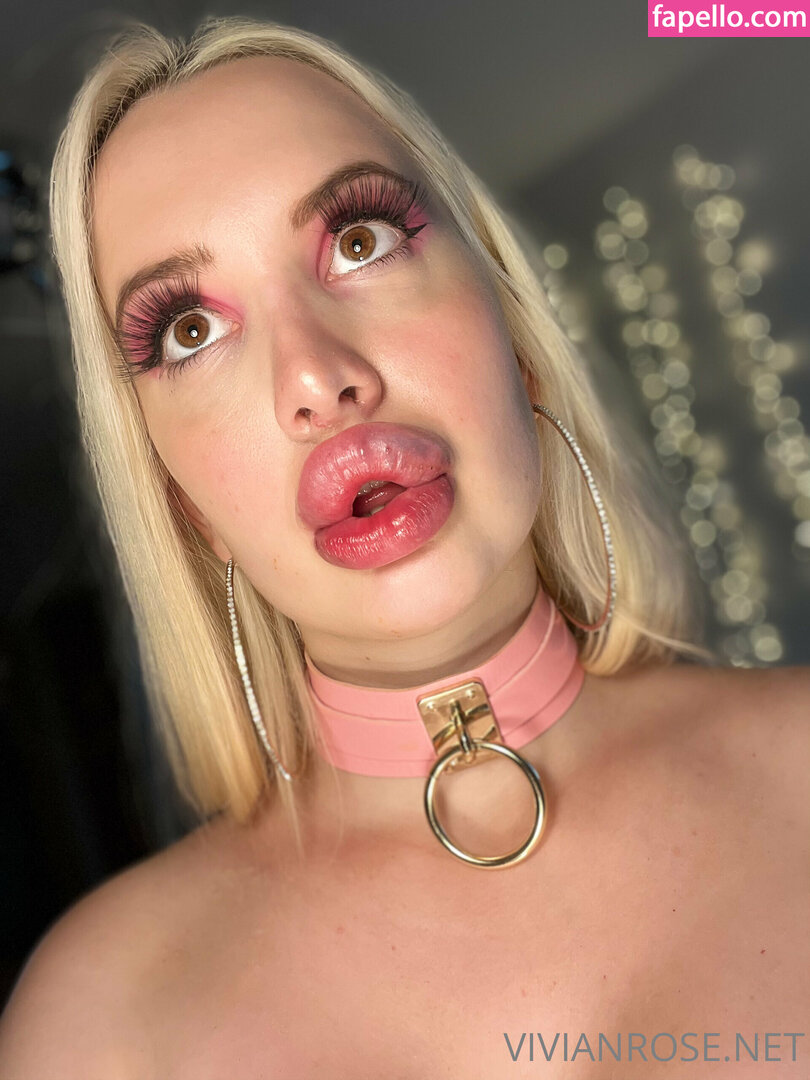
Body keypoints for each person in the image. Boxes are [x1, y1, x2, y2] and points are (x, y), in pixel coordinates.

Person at [0, 14, 807, 1077]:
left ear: (514, 333)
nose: (316, 378)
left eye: (359, 241)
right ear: (182, 502)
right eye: (190, 330)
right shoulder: (99, 1023)